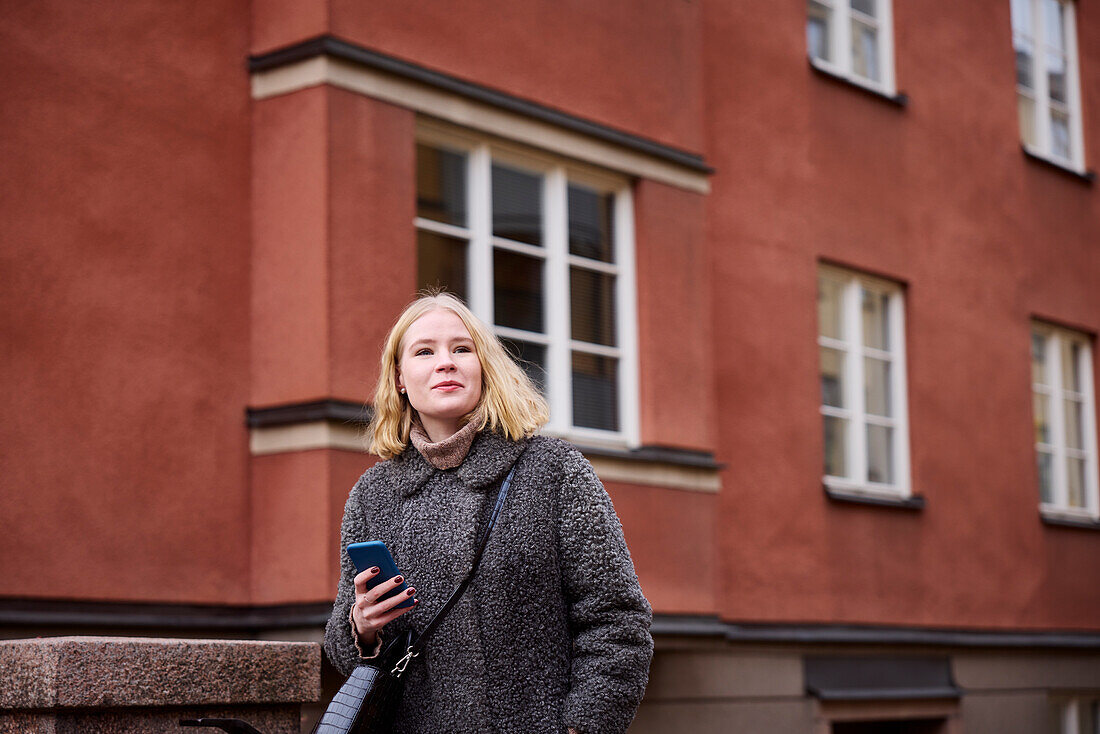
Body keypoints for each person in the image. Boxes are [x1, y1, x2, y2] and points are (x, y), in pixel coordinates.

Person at [323, 291, 653, 734]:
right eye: (425, 351)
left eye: (462, 349)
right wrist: (362, 628)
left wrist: (582, 728)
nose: (446, 362)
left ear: (485, 369)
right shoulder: (372, 494)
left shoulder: (554, 470)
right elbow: (345, 654)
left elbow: (617, 620)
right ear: (400, 378)